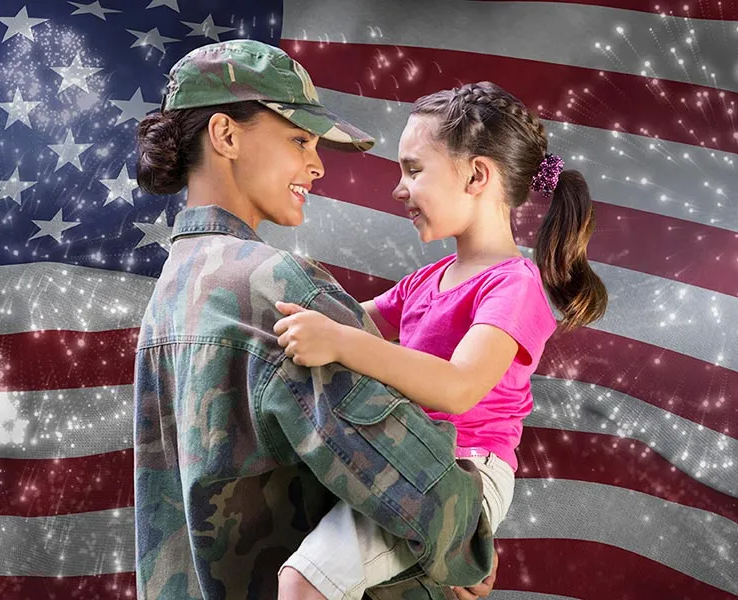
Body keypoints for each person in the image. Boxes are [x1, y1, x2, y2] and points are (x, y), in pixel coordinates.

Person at [132, 40, 498, 600]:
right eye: (299, 139)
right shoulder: (277, 285)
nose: (317, 163)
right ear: (226, 136)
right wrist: (469, 535)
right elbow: (405, 474)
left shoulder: (170, 297)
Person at [273, 81, 609, 600]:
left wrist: (339, 341)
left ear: (477, 175)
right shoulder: (427, 280)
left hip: (464, 469)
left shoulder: (514, 285)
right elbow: (344, 318)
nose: (398, 189)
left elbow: (457, 388)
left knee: (304, 582)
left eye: (414, 169)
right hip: (408, 455)